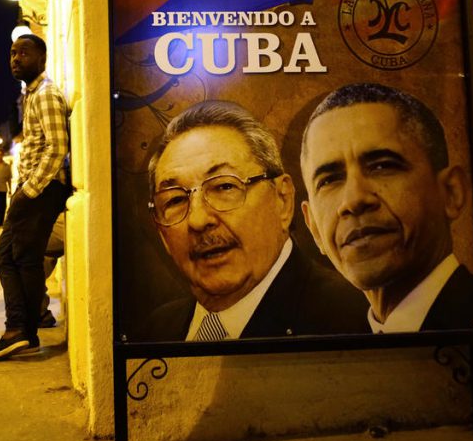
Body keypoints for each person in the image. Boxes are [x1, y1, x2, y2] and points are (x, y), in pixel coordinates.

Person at [142, 100, 367, 341]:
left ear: (283, 200)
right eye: (175, 200)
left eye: (225, 186)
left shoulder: (358, 317)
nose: (198, 220)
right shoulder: (159, 329)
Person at [299, 82, 473, 333]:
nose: (354, 200)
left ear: (451, 193)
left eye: (382, 166)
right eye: (329, 180)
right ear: (314, 228)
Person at [0, 35, 70, 360]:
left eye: (24, 52)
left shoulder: (46, 94)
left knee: (25, 258)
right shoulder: (32, 94)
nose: (15, 58)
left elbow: (57, 147)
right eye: (12, 53)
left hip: (42, 189)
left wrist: (28, 191)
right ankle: (20, 327)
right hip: (32, 188)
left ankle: (23, 329)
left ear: (42, 57)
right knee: (5, 257)